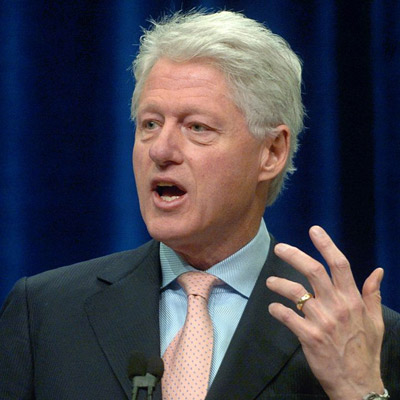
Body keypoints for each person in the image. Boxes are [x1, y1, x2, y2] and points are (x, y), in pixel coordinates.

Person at [1, 10, 399, 400]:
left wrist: (359, 392)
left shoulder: (361, 336)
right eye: (150, 124)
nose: (161, 150)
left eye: (197, 127)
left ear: (272, 152)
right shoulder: (45, 313)